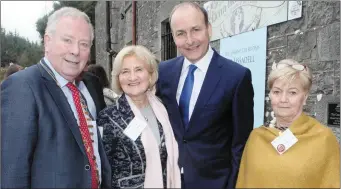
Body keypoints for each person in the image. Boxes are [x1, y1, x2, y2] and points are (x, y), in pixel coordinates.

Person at [1, 7, 111, 188]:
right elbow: (12, 173)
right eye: (68, 40)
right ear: (47, 41)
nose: (76, 51)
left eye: (84, 44)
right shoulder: (22, 87)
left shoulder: (78, 90)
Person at [156, 2, 254, 189]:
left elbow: (240, 143)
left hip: (215, 182)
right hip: (169, 179)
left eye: (196, 30)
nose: (190, 40)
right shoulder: (164, 72)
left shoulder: (236, 77)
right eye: (181, 33)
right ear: (174, 36)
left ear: (209, 29)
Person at [236, 59, 340, 188]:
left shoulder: (323, 138)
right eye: (277, 92)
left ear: (305, 97)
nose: (283, 99)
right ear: (270, 95)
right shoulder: (256, 138)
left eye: (292, 92)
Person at [97, 45, 181, 189]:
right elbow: (103, 170)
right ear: (118, 78)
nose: (132, 77)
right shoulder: (108, 117)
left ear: (150, 74)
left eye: (138, 69)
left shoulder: (163, 109)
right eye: (125, 71)